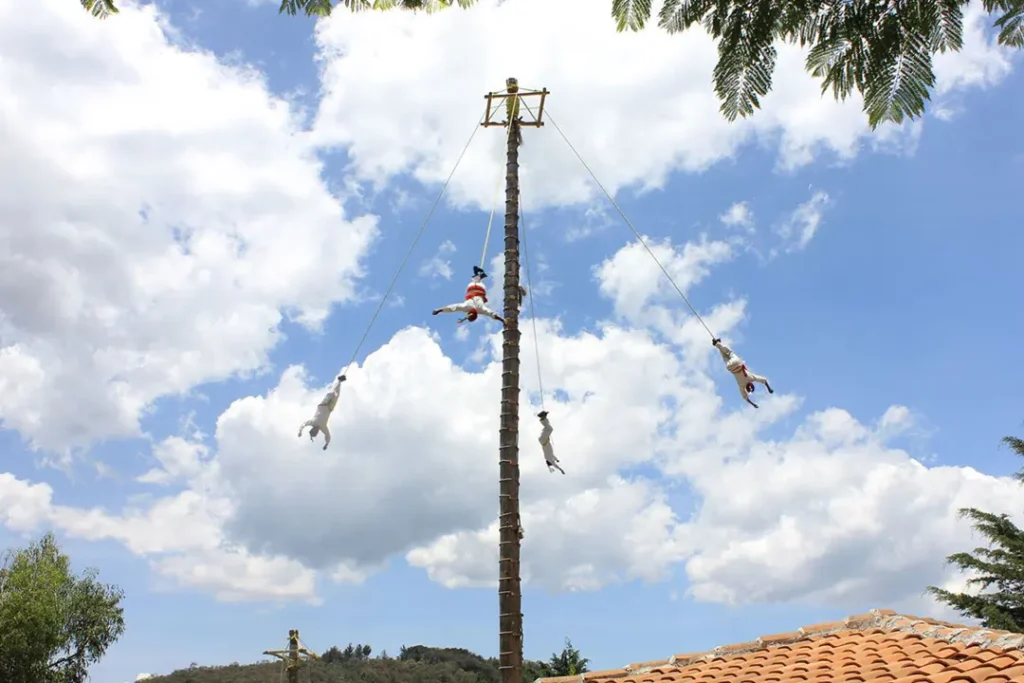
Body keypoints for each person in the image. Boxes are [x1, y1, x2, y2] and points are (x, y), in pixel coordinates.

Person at [432, 266, 506, 326]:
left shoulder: (466, 307)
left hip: (473, 289)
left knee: (474, 282)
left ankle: (479, 275)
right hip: (479, 290)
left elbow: (453, 308)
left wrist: (439, 310)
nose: (469, 312)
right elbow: (492, 314)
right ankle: (479, 275)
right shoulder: (480, 309)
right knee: (476, 282)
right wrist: (502, 320)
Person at [712, 338, 773, 409]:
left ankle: (718, 344)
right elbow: (745, 397)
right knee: (725, 358)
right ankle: (717, 344)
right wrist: (753, 404)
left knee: (730, 352)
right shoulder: (742, 386)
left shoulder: (752, 378)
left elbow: (764, 380)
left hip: (738, 363)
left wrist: (769, 389)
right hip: (730, 367)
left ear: (751, 384)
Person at [298, 375, 346, 450]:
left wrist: (300, 432)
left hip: (323, 404)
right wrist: (326, 444)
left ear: (312, 429)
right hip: (330, 407)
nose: (316, 431)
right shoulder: (323, 427)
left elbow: (303, 424)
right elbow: (328, 435)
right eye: (316, 432)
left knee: (330, 394)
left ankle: (338, 381)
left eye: (314, 431)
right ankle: (340, 382)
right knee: (336, 396)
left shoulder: (312, 422)